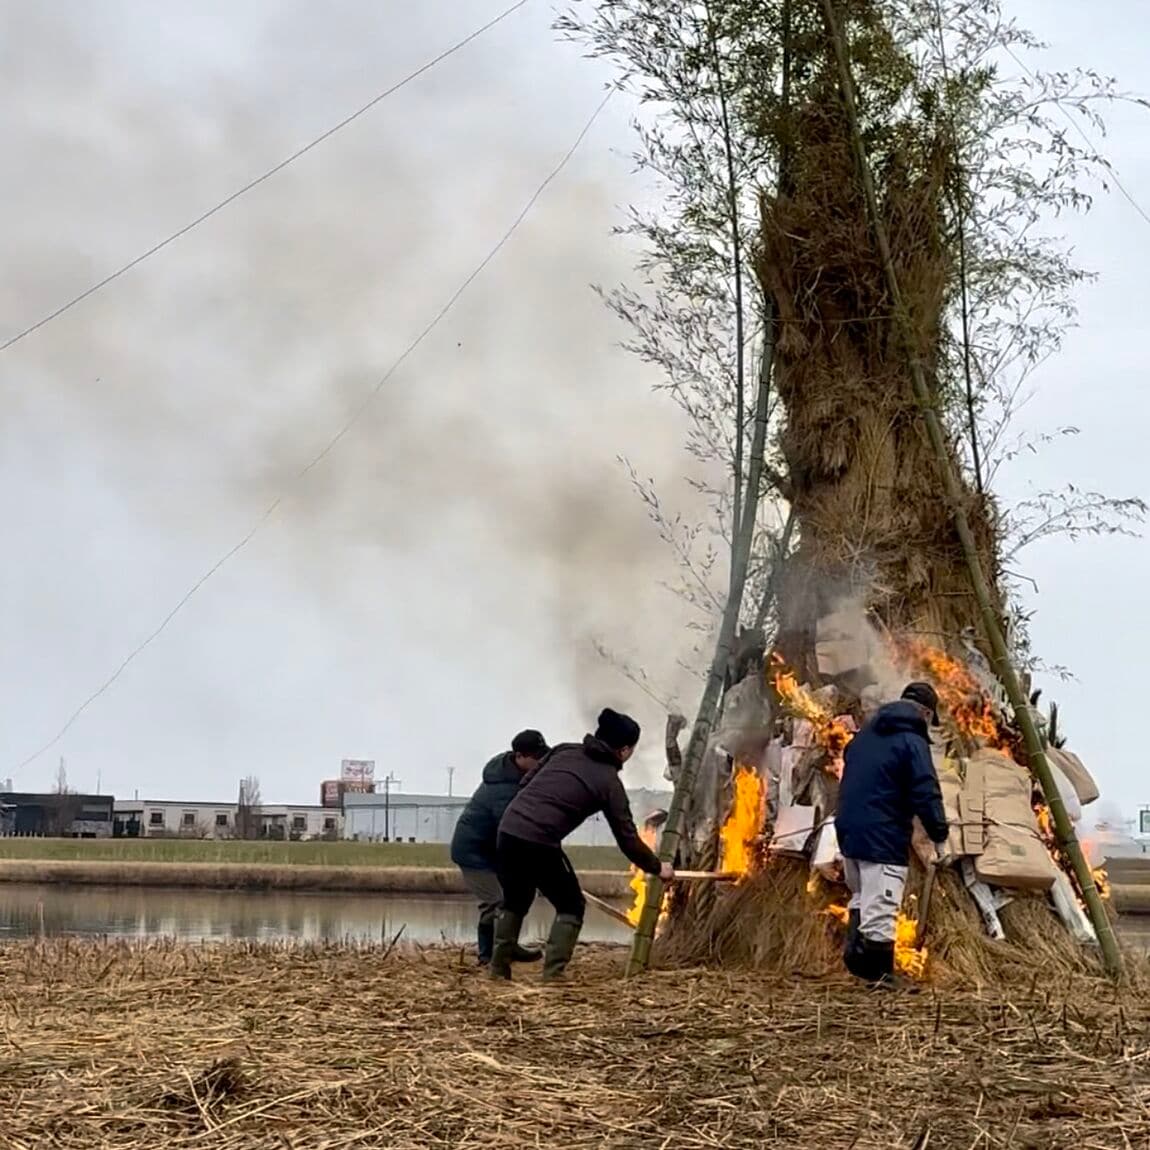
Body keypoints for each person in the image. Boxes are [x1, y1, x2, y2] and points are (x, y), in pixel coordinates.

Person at [489, 707, 675, 982]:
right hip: (539, 840)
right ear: (623, 751)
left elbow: (527, 780)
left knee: (516, 900)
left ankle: (498, 970)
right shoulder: (609, 783)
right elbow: (627, 839)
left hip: (508, 829)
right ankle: (553, 976)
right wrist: (658, 867)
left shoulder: (565, 750)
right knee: (571, 905)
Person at [835, 682, 949, 988]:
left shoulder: (865, 737)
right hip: (882, 833)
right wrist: (940, 834)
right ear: (925, 712)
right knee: (882, 901)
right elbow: (926, 789)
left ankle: (856, 958)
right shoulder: (912, 741)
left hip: (848, 829)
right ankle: (880, 973)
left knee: (861, 895)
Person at [449, 729, 550, 967]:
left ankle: (506, 946)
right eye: (537, 758)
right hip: (473, 853)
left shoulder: (519, 778)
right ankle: (489, 955)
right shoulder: (503, 788)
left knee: (515, 897)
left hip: (493, 852)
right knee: (496, 902)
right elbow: (510, 828)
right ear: (520, 757)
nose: (541, 763)